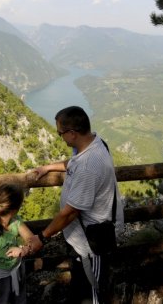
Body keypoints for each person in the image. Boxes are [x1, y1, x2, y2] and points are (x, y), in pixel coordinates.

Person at [30, 105, 124, 304]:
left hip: (92, 244)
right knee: (80, 284)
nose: (60, 137)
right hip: (80, 241)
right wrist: (48, 167)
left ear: (72, 133)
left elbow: (70, 213)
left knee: (94, 291)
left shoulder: (89, 166)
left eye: (60, 133)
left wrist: (41, 237)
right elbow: (74, 162)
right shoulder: (94, 143)